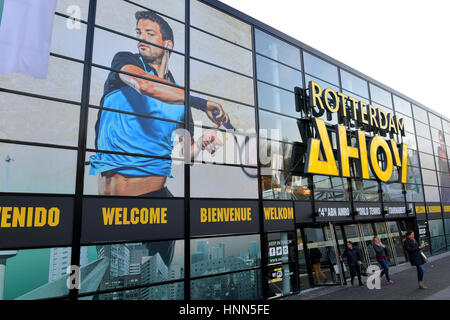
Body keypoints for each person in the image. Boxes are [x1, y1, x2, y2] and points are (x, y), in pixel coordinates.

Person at [89, 11, 229, 266]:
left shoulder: (179, 99)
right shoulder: (125, 61)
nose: (141, 39)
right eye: (138, 33)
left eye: (149, 34)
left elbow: (185, 155)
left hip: (156, 207)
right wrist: (201, 102)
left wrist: (207, 140)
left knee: (151, 285)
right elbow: (146, 86)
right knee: (109, 287)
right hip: (110, 208)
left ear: (168, 44)